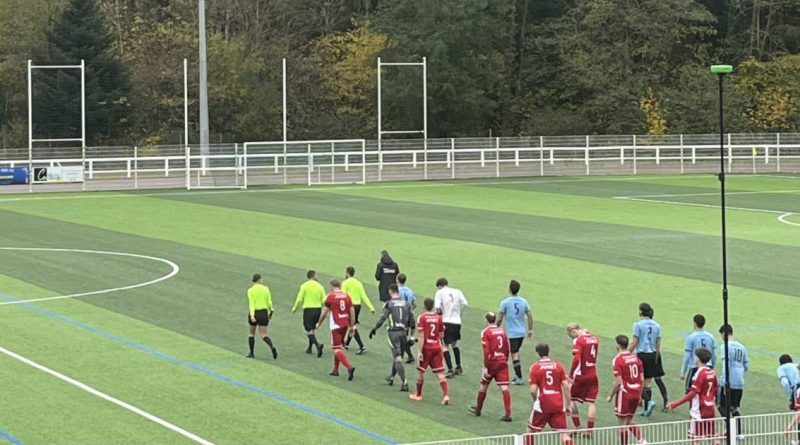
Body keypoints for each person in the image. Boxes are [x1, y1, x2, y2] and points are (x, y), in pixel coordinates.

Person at [668, 348, 719, 445]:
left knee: (695, 439)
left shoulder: (699, 373)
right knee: (713, 437)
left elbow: (692, 393)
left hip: (699, 410)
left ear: (698, 358)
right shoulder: (712, 372)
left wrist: (675, 404)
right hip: (710, 408)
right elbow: (715, 389)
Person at [369, 284, 414, 392]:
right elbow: (412, 320)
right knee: (399, 356)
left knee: (397, 358)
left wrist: (374, 329)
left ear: (390, 291)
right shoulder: (406, 304)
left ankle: (404, 383)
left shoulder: (389, 304)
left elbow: (382, 318)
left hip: (393, 333)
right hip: (403, 333)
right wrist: (412, 336)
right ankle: (392, 377)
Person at [525, 343, 573, 445]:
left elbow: (533, 390)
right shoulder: (558, 365)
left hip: (542, 405)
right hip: (558, 405)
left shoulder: (535, 367)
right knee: (564, 434)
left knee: (530, 430)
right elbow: (566, 385)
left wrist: (535, 400)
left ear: (537, 353)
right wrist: (568, 404)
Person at [468, 312, 512, 421]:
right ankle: (508, 414)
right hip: (502, 361)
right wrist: (505, 359)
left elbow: (486, 351)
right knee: (504, 387)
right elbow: (507, 347)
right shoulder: (502, 331)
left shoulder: (486, 332)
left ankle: (478, 409)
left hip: (492, 362)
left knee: (483, 385)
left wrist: (486, 367)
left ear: (486, 320)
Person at [409, 298, 450, 405]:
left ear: (424, 306)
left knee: (420, 371)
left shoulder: (422, 317)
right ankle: (445, 395)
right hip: (437, 347)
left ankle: (418, 395)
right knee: (440, 372)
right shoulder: (438, 317)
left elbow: (421, 336)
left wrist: (420, 351)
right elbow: (441, 334)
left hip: (426, 348)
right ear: (432, 306)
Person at [608, 335, 647, 445]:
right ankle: (642, 441)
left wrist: (611, 395)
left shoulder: (618, 360)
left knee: (622, 424)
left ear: (618, 345)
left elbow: (618, 382)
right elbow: (642, 379)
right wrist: (639, 395)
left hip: (625, 394)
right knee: (629, 420)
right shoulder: (636, 359)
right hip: (636, 392)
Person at [317, 279, 356, 380]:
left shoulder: (331, 296)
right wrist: (352, 325)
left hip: (336, 325)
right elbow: (352, 311)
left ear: (331, 286)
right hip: (345, 324)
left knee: (336, 349)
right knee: (338, 346)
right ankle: (335, 370)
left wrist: (319, 323)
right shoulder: (347, 296)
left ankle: (349, 367)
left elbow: (324, 313)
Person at [628, 302, 663, 417]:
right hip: (652, 354)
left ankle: (648, 401)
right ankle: (647, 408)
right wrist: (656, 356)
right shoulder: (657, 325)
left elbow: (635, 341)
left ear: (640, 312)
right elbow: (658, 342)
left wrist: (626, 353)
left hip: (642, 354)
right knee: (648, 382)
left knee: (638, 381)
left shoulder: (638, 325)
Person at [497, 279, 533, 385]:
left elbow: (500, 317)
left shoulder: (505, 302)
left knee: (514, 354)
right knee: (515, 352)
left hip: (512, 333)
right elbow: (530, 315)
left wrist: (495, 327)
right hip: (521, 332)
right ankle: (516, 376)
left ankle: (519, 377)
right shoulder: (524, 301)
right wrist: (530, 329)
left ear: (509, 289)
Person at [567, 323, 599, 437]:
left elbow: (576, 359)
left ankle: (577, 427)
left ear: (573, 331)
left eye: (571, 335)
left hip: (580, 375)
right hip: (593, 374)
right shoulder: (594, 338)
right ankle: (590, 431)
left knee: (570, 399)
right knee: (591, 403)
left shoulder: (578, 340)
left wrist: (571, 374)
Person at [717, 324, 748, 439]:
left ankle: (731, 429)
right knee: (733, 407)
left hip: (728, 381)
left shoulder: (725, 346)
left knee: (720, 405)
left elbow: (726, 364)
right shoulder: (742, 347)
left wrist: (725, 381)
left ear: (724, 333)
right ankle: (738, 432)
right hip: (739, 382)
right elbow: (746, 366)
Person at [434, 278, 468, 378]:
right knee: (454, 344)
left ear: (439, 286)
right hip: (457, 322)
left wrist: (440, 315)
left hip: (446, 321)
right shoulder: (457, 291)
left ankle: (450, 369)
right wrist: (459, 313)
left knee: (444, 346)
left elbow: (437, 307)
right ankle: (458, 367)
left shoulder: (439, 292)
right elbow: (465, 303)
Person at [291, 270, 325, 357]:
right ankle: (309, 348)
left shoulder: (304, 286)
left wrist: (295, 308)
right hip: (318, 309)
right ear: (313, 276)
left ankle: (318, 345)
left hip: (309, 310)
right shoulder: (320, 286)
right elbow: (324, 300)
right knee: (312, 329)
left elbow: (299, 299)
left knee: (308, 331)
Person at [342, 266, 375, 355]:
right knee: (352, 324)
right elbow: (364, 296)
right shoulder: (358, 283)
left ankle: (362, 346)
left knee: (352, 326)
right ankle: (347, 344)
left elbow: (344, 296)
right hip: (358, 306)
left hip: (350, 306)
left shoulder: (345, 283)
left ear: (347, 273)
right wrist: (371, 307)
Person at [681, 314, 717, 393]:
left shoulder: (691, 337)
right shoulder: (711, 337)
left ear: (695, 323)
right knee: (706, 391)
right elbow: (714, 355)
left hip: (695, 367)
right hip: (708, 366)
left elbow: (687, 356)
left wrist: (683, 371)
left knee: (690, 391)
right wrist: (712, 367)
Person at [245, 273, 277, 360]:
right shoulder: (266, 289)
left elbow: (251, 303)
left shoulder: (250, 290)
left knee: (251, 333)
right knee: (263, 334)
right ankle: (271, 346)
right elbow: (269, 302)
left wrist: (252, 315)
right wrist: (271, 311)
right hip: (263, 313)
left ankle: (251, 353)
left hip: (255, 312)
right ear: (259, 280)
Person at [397, 273, 417, 364]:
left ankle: (409, 356)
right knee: (404, 335)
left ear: (397, 280)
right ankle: (401, 354)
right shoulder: (410, 290)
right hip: (410, 315)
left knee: (401, 337)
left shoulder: (396, 290)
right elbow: (414, 304)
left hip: (402, 316)